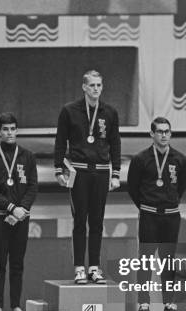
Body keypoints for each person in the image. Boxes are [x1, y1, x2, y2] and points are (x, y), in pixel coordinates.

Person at [54, 69, 121, 284]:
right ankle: (79, 268)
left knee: (98, 221)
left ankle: (94, 267)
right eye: (92, 85)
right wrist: (58, 169)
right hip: (79, 171)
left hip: (101, 172)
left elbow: (116, 144)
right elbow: (60, 141)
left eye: (99, 85)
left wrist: (116, 173)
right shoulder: (69, 111)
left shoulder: (109, 112)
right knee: (80, 221)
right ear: (84, 87)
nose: (96, 89)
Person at [127, 117, 186, 311]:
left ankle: (169, 303)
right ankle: (143, 304)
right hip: (149, 216)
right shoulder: (140, 159)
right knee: (145, 260)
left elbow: (181, 187)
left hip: (171, 217)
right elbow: (132, 188)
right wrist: (146, 206)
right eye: (160, 131)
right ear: (152, 134)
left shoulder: (179, 159)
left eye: (167, 131)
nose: (164, 135)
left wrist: (169, 202)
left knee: (168, 261)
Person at [0, 112, 38, 311]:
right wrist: (12, 207)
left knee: (17, 263)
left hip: (22, 217)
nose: (9, 133)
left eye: (13, 129)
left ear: (17, 130)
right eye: (5, 129)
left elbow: (32, 187)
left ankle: (15, 305)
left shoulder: (27, 156)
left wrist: (21, 210)